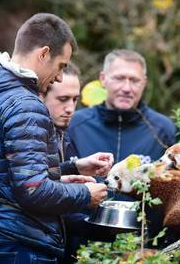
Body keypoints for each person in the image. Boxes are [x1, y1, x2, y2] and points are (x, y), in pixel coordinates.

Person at [0, 13, 108, 262]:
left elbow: (8, 174)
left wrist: (64, 171)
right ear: (43, 53)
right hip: (19, 244)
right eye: (60, 66)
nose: (59, 77)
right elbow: (33, 191)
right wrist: (85, 195)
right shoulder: (25, 104)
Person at [40, 62, 116, 263]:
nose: (71, 108)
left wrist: (77, 166)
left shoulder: (64, 135)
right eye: (63, 99)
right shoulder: (30, 134)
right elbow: (35, 193)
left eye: (75, 100)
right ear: (41, 94)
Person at [68, 49, 177, 164]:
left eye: (134, 80)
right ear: (103, 79)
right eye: (119, 79)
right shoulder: (75, 125)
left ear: (144, 83)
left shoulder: (163, 130)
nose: (126, 88)